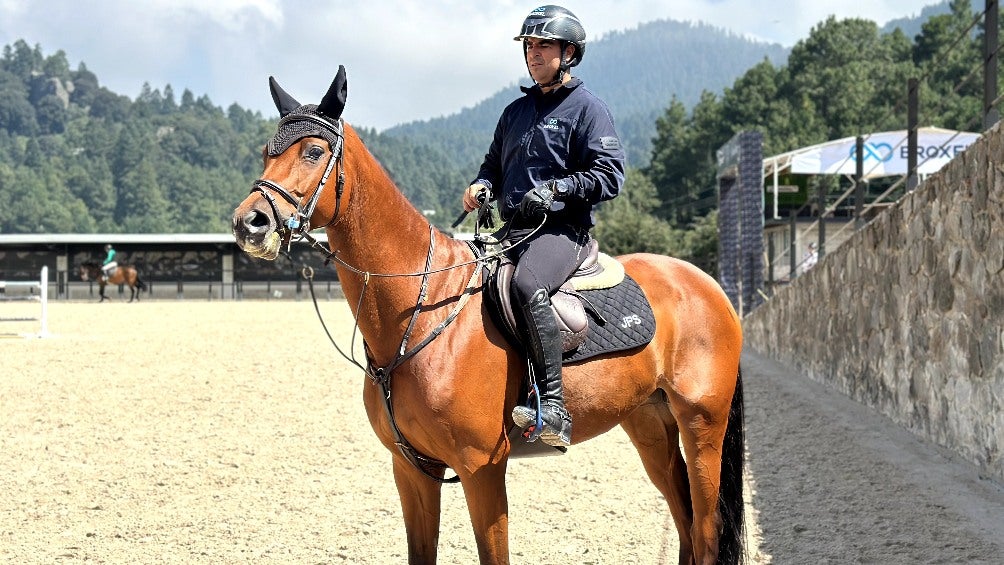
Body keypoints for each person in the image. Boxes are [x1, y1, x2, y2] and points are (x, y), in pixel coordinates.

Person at [462, 5, 625, 447]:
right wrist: (482, 185)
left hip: (562, 233)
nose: (533, 54)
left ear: (569, 52)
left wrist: (556, 191)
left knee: (527, 285)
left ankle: (552, 404)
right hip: (512, 230)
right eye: (529, 46)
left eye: (543, 46)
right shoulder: (514, 112)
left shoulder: (588, 110)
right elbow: (493, 165)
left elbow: (610, 174)